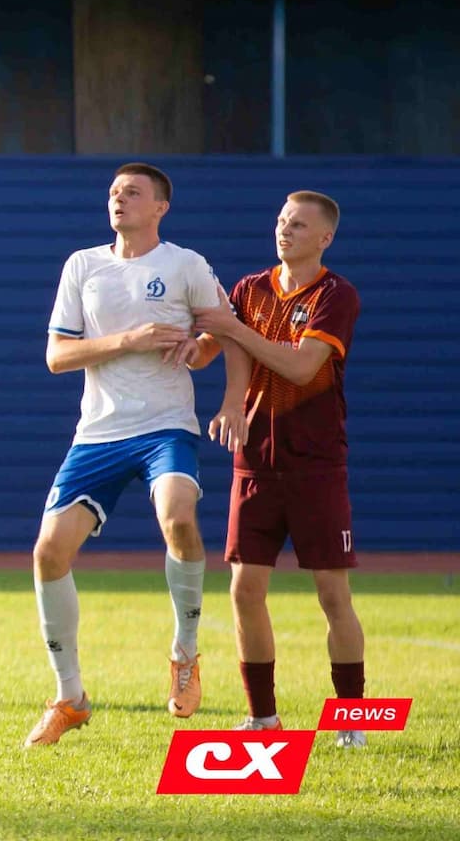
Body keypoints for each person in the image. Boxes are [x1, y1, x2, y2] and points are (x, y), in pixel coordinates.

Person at [24, 163, 228, 747]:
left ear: (161, 206)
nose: (119, 200)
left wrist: (201, 346)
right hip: (98, 434)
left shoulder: (185, 264)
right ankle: (70, 698)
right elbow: (57, 357)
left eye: (133, 193)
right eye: (114, 192)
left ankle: (185, 653)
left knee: (179, 517)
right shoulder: (83, 265)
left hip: (167, 427)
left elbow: (222, 331)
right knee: (48, 553)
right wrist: (128, 341)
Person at [191, 191, 370, 748]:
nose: (285, 231)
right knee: (244, 590)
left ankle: (351, 722)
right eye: (280, 221)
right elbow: (206, 350)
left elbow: (298, 366)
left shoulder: (336, 295)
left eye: (298, 224)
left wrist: (233, 328)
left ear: (325, 238)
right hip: (256, 463)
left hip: (317, 464)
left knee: (332, 596)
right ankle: (263, 718)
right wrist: (187, 327)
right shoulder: (248, 289)